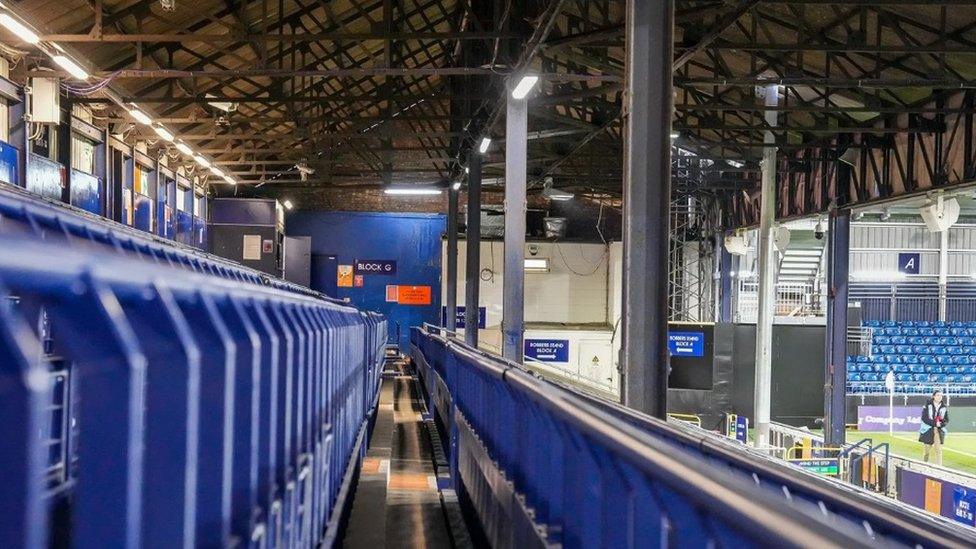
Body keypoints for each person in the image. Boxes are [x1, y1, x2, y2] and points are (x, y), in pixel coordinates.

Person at [919, 389, 949, 465]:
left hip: (939, 430)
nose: (940, 397)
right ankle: (924, 464)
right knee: (927, 451)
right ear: (933, 396)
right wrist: (934, 423)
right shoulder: (927, 405)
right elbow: (924, 418)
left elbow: (946, 420)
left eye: (941, 395)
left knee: (938, 450)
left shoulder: (944, 407)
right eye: (938, 395)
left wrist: (941, 424)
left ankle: (939, 468)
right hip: (928, 429)